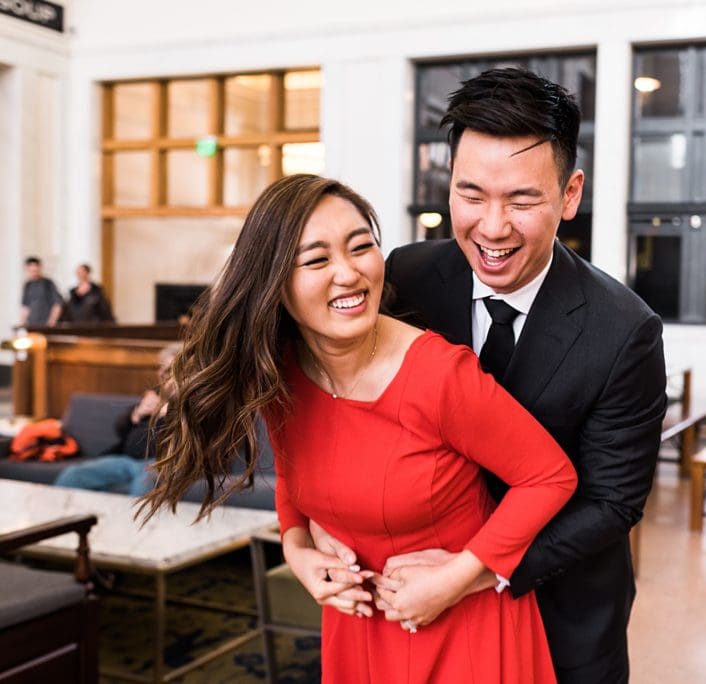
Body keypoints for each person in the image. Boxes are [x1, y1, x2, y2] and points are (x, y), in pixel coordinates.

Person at [136, 174, 577, 684]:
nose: (348, 273)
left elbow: (548, 477)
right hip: (359, 630)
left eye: (361, 247)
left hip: (462, 628)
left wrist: (459, 578)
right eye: (317, 259)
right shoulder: (281, 372)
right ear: (274, 284)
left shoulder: (439, 375)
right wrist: (297, 550)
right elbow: (295, 489)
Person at [312, 67, 667, 683]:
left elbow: (611, 502)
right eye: (471, 195)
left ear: (571, 193)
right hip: (412, 608)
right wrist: (308, 533)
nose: (493, 227)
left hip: (557, 608)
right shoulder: (407, 277)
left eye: (523, 199)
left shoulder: (623, 330)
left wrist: (469, 572)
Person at [54, 345, 177, 496]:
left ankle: (132, 520)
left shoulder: (192, 400)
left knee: (144, 483)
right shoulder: (156, 394)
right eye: (162, 369)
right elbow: (119, 428)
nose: (163, 375)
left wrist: (168, 412)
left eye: (170, 370)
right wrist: (135, 414)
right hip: (126, 460)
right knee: (72, 476)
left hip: (161, 462)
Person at [20, 256, 63, 327]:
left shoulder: (48, 283)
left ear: (40, 267)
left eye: (35, 269)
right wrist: (23, 321)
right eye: (31, 270)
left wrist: (52, 321)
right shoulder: (28, 285)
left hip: (46, 324)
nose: (33, 272)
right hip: (31, 324)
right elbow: (25, 306)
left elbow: (57, 304)